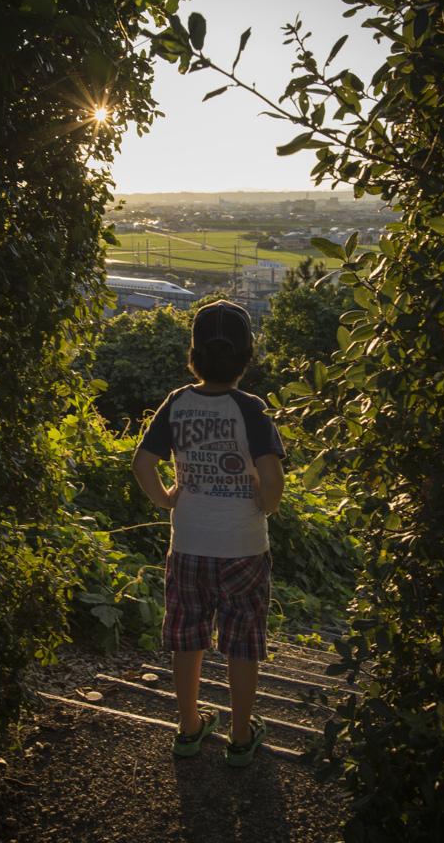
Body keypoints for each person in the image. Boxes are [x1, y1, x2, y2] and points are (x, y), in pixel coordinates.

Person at [132, 300, 285, 766]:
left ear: (193, 355)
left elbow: (143, 464)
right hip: (242, 549)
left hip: (189, 547)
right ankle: (240, 738)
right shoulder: (250, 408)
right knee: (241, 642)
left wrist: (166, 499)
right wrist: (267, 504)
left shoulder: (177, 402)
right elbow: (272, 475)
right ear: (247, 356)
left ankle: (189, 727)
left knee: (187, 637)